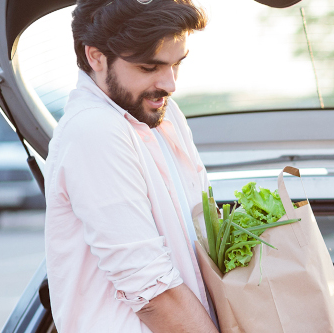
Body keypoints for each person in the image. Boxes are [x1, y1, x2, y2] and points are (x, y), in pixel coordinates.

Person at [43, 0, 217, 332]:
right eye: (149, 68)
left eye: (176, 64)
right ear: (95, 56)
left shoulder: (165, 117)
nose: (170, 84)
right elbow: (153, 293)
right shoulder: (93, 130)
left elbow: (207, 244)